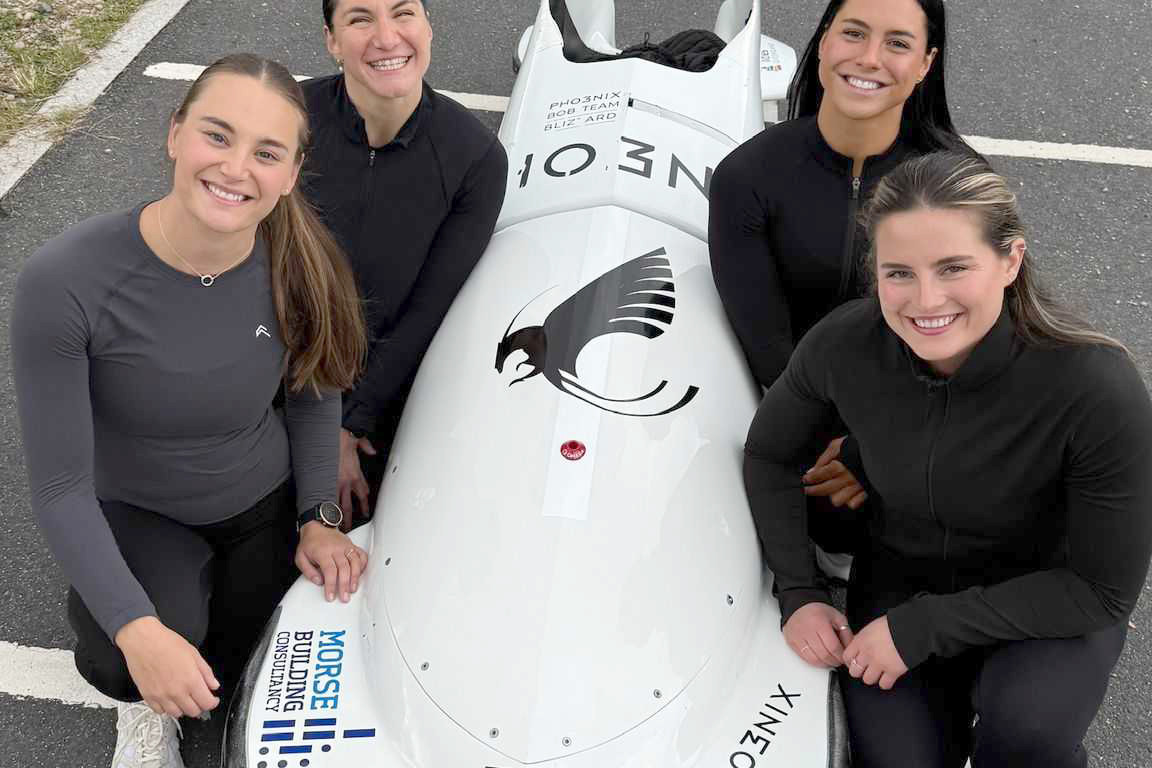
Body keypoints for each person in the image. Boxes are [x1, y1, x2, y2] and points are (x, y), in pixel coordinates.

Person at [11, 54, 369, 768]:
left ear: (290, 174)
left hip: (261, 501)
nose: (237, 168)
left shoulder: (300, 260)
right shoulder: (65, 282)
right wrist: (137, 628)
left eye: (266, 152)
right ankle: (136, 678)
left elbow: (314, 393)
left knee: (256, 665)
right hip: (145, 513)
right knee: (129, 663)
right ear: (175, 134)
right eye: (217, 135)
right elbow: (60, 488)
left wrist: (317, 517)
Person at [744, 152, 1152, 768]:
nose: (925, 299)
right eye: (899, 273)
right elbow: (770, 455)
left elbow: (1102, 592)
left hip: (1048, 596)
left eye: (954, 267)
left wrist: (919, 630)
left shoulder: (1096, 385)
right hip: (902, 577)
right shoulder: (844, 345)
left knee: (1027, 735)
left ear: (1010, 260)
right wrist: (799, 593)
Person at [709, 0, 974, 538]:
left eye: (898, 43)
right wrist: (833, 443)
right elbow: (771, 353)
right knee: (827, 509)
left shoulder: (958, 189)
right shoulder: (748, 178)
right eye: (854, 33)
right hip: (804, 419)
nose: (870, 57)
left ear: (926, 63)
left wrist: (868, 447)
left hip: (918, 427)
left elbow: (975, 346)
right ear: (825, 40)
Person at [304, 0, 509, 519]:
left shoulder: (475, 157)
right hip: (278, 377)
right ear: (331, 40)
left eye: (403, 14)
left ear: (428, 28)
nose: (387, 37)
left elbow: (429, 310)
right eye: (360, 19)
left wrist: (350, 425)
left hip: (384, 395)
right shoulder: (290, 121)